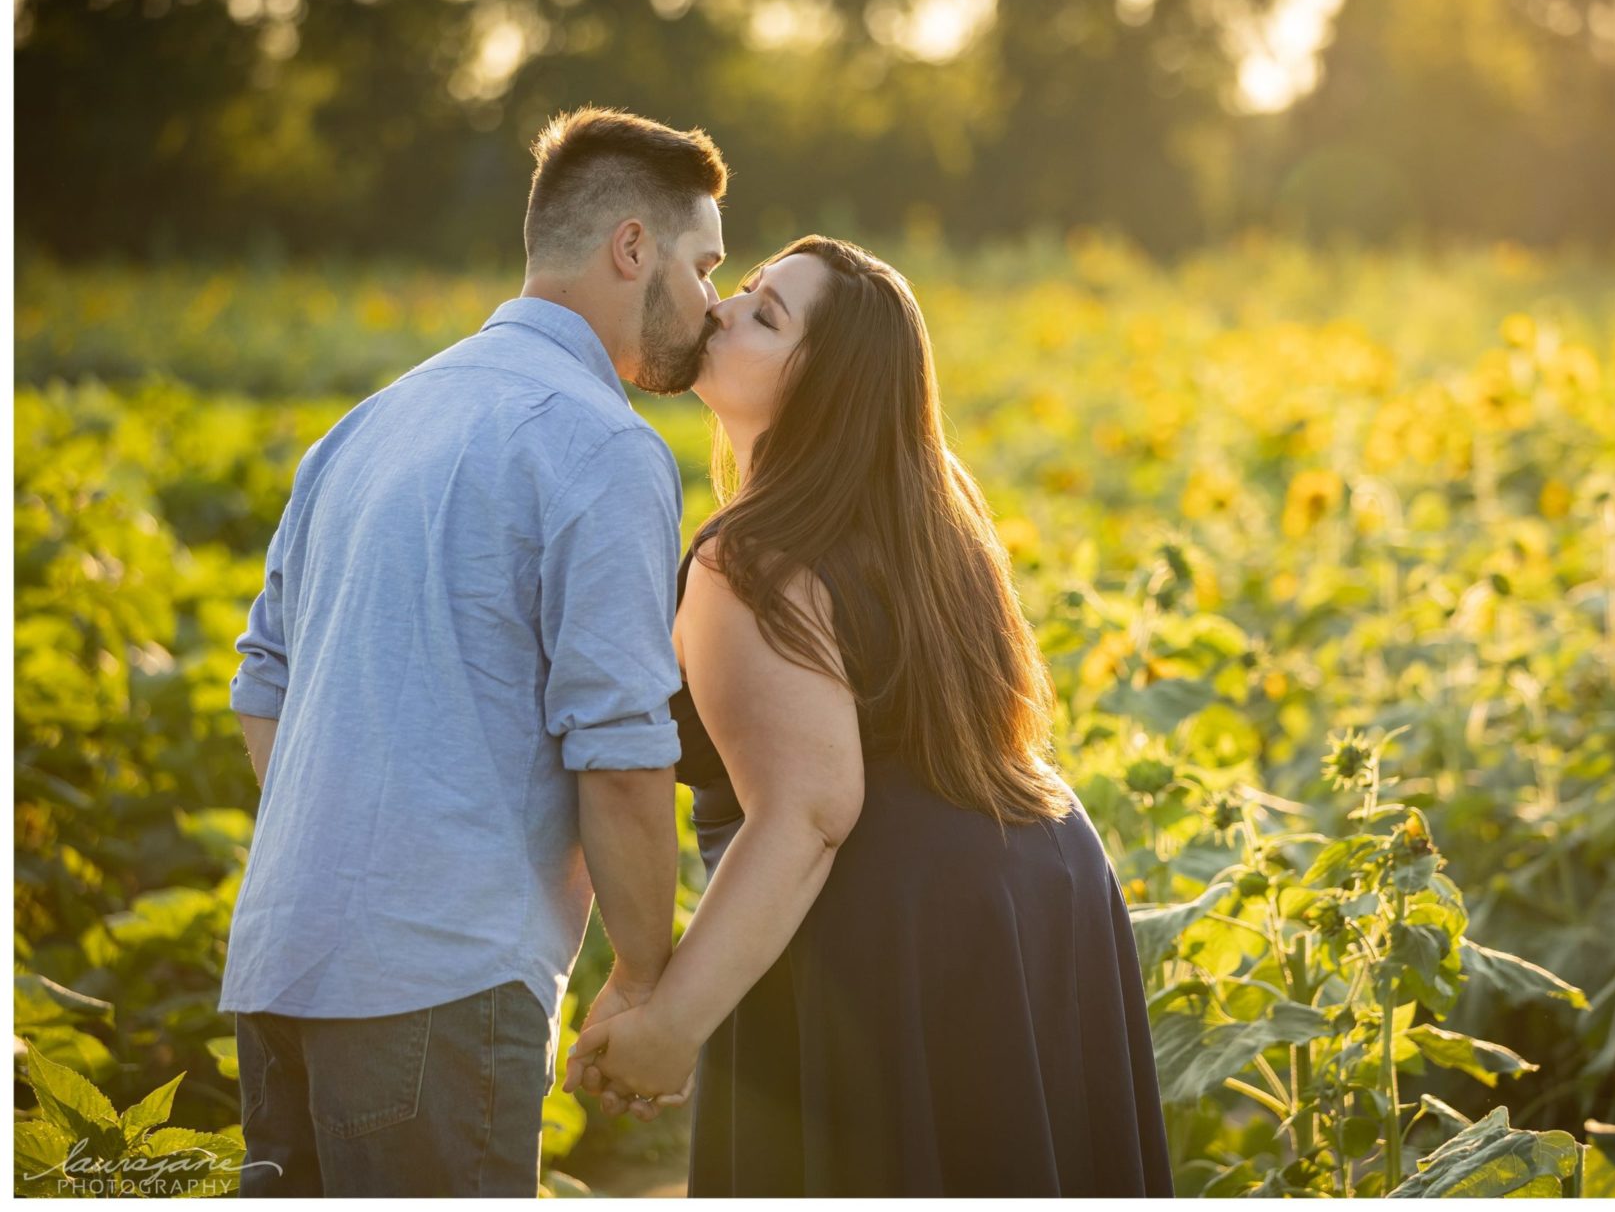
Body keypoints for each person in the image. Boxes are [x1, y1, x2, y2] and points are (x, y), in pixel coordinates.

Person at [564, 236, 1175, 1196]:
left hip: (895, 932)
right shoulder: (927, 525)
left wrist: (673, 1023)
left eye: (766, 315)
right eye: (748, 289)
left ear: (828, 389)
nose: (722, 309)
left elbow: (808, 807)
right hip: (1039, 889)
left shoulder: (751, 559)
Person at [220, 106, 726, 1196]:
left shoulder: (365, 423)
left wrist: (358, 844)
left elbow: (264, 685)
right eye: (704, 263)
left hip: (276, 966)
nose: (713, 303)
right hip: (441, 987)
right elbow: (626, 760)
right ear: (631, 247)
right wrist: (646, 979)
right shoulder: (603, 445)